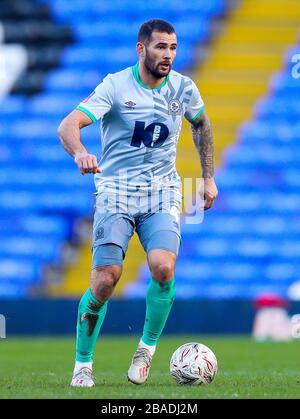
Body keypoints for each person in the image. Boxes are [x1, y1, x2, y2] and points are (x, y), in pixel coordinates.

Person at [58, 19, 218, 387]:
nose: (168, 55)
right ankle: (83, 363)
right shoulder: (115, 86)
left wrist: (208, 177)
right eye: (161, 47)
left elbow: (202, 124)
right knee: (104, 282)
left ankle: (146, 350)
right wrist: (80, 152)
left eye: (173, 48)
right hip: (115, 192)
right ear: (141, 49)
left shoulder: (183, 88)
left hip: (161, 193)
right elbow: (68, 125)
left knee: (163, 267)